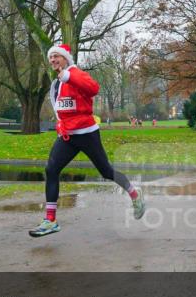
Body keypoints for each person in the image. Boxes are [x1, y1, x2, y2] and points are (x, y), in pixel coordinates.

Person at [29, 43, 145, 238]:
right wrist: (61, 125)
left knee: (106, 171)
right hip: (67, 136)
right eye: (51, 57)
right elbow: (60, 109)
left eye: (57, 56)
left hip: (87, 134)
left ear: (66, 58)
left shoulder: (76, 74)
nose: (53, 60)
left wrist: (68, 77)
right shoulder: (57, 82)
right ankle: (50, 220)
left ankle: (134, 193)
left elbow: (93, 88)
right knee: (51, 170)